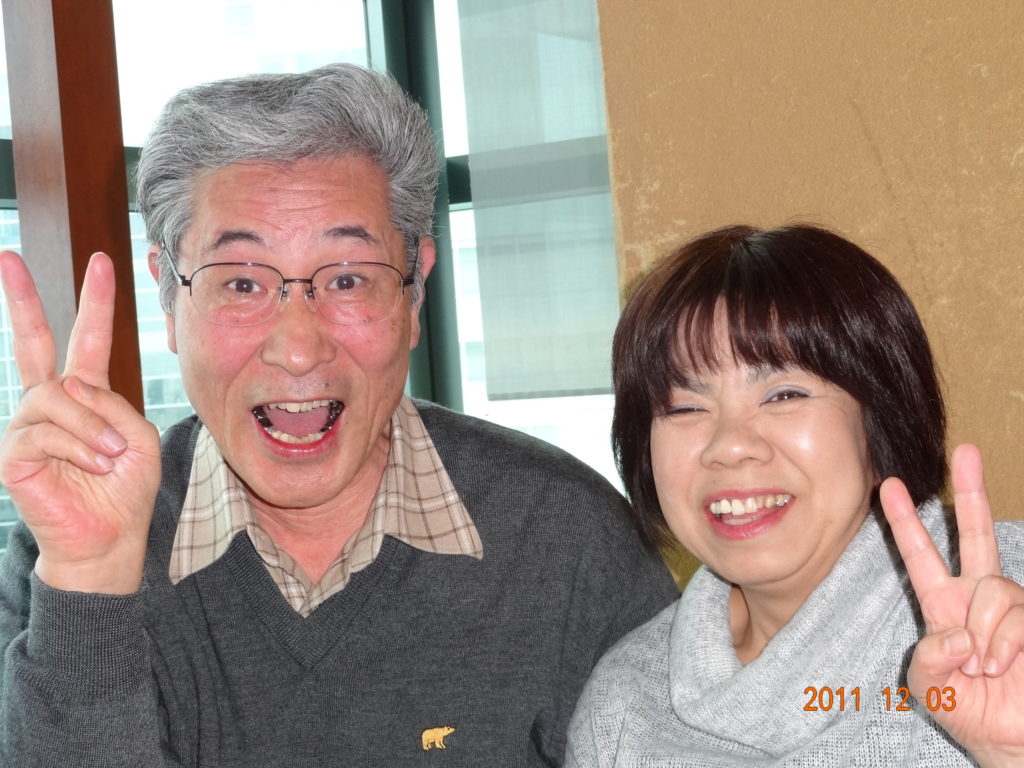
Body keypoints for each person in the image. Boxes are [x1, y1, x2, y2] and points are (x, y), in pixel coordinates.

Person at [0, 63, 677, 767]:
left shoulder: (567, 539)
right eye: (241, 283)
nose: (298, 348)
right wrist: (90, 589)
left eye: (348, 279)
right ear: (169, 300)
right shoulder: (70, 557)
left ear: (414, 294)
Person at [566, 224, 1024, 766]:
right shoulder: (623, 708)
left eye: (784, 394)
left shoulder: (1006, 614)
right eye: (685, 407)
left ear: (880, 423)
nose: (729, 446)